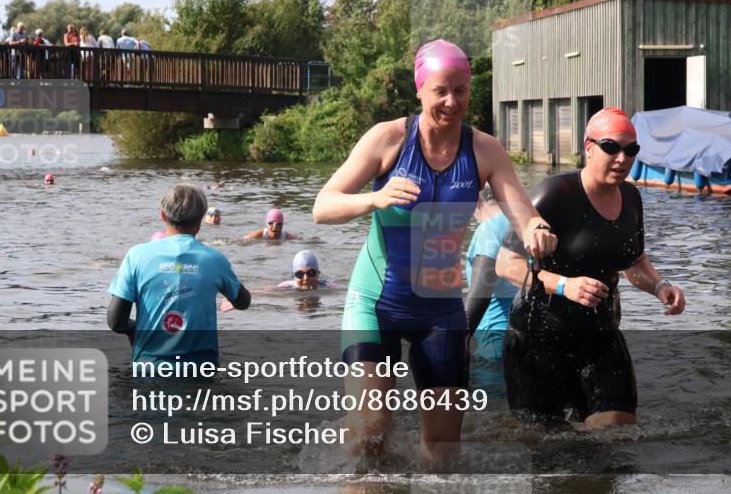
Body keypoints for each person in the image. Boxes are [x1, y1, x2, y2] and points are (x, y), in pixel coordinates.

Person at [312, 38, 557, 467]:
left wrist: (537, 228)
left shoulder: (484, 150)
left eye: (460, 90)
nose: (451, 101)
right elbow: (323, 206)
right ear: (420, 89)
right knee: (370, 434)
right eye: (440, 90)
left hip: (440, 311)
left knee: (443, 455)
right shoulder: (388, 139)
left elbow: (522, 211)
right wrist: (374, 198)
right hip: (376, 303)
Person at [497, 107, 686, 429]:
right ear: (588, 148)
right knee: (548, 442)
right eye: (611, 147)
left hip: (600, 333)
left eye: (631, 150)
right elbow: (505, 264)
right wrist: (563, 285)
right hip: (540, 336)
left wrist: (659, 286)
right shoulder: (554, 195)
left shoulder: (631, 197)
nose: (622, 158)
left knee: (618, 427)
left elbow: (632, 260)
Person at [107, 184, 251, 364]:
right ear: (200, 221)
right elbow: (244, 302)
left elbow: (115, 321)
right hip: (200, 369)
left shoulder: (136, 256)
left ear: (162, 216)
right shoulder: (215, 259)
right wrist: (232, 292)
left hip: (150, 367)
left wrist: (133, 329)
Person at [463, 192, 515, 360]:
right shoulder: (521, 224)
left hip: (493, 341)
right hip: (522, 333)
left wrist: (454, 339)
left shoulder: (488, 229)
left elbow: (480, 293)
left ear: (476, 201)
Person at [220, 250, 339, 313]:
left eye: (311, 273)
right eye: (299, 274)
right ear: (294, 276)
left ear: (318, 274)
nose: (305, 279)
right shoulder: (287, 286)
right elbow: (262, 292)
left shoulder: (329, 287)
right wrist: (237, 299)